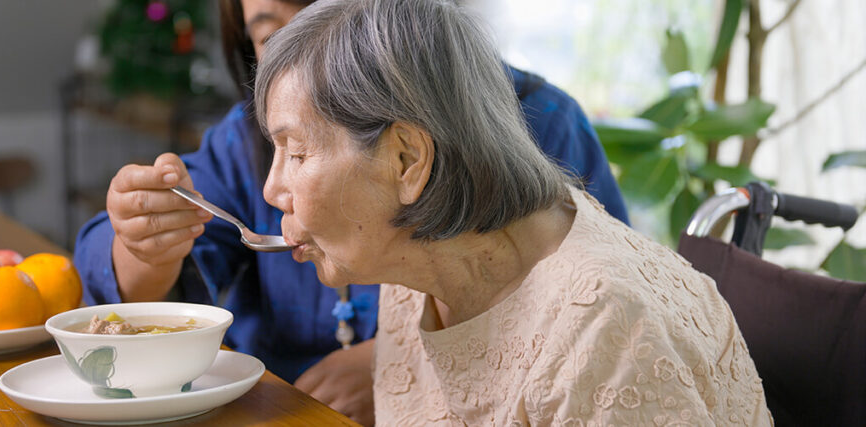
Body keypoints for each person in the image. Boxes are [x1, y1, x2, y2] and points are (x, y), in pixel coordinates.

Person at [73, 0, 627, 423]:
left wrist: (402, 361)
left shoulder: (541, 124)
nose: (272, 191)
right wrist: (144, 241)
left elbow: (588, 311)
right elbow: (136, 299)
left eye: (327, 15)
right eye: (274, 36)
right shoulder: (241, 144)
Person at [252, 0, 772, 425]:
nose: (273, 189)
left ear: (407, 159)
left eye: (295, 152)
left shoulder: (604, 337)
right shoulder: (414, 270)